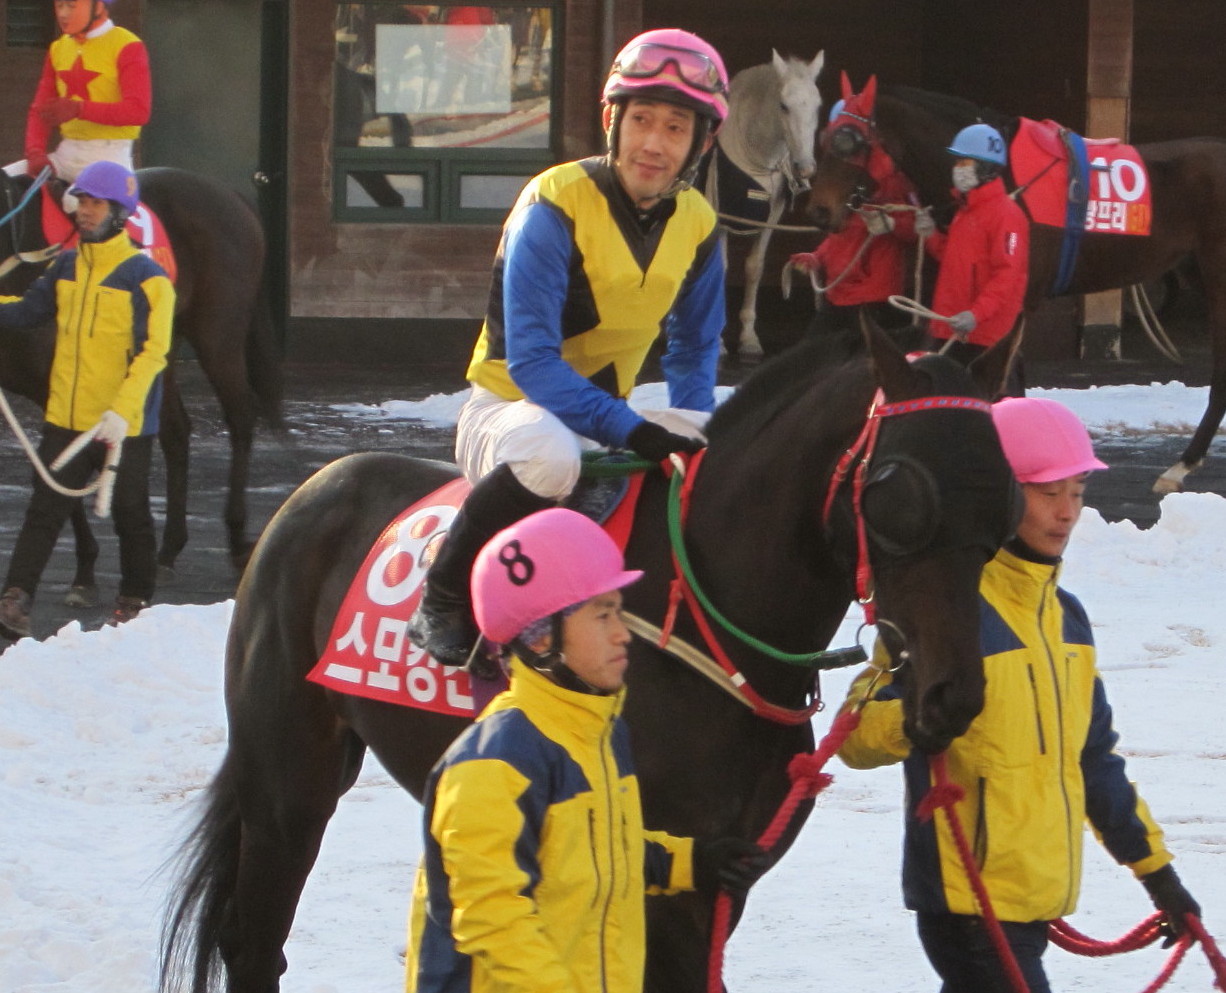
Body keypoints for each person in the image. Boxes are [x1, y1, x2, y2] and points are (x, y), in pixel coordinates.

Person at [835, 397, 1204, 993]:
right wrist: (917, 720)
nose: (1067, 512)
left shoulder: (1066, 619)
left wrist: (1159, 877)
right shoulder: (949, 613)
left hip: (1035, 899)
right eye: (1047, 493)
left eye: (1077, 492)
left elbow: (1094, 762)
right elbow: (854, 735)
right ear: (996, 496)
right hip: (966, 903)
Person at [408, 28, 729, 667]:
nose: (654, 143)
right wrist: (632, 430)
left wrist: (692, 421)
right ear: (613, 122)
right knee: (552, 457)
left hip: (604, 419)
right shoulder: (552, 204)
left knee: (721, 450)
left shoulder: (700, 224)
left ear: (699, 143)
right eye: (641, 120)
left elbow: (695, 346)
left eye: (675, 128)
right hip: (509, 411)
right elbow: (532, 364)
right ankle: (440, 596)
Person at [404, 507, 767, 993]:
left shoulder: (599, 732)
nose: (622, 633)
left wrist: (690, 862)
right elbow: (492, 919)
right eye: (602, 615)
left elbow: (599, 849)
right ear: (541, 638)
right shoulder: (496, 762)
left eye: (619, 611)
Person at [0, 161, 173, 641]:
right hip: (67, 418)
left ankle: (134, 601)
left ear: (119, 213)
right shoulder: (66, 266)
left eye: (96, 203)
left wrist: (123, 411)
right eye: (82, 202)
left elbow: (154, 353)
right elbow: (28, 312)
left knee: (131, 515)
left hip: (123, 424)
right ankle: (15, 599)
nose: (85, 211)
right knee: (43, 511)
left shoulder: (147, 278)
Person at [789, 96, 924, 336]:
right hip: (840, 293)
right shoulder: (850, 187)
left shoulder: (895, 184)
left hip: (874, 299)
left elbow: (915, 228)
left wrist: (892, 224)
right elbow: (841, 237)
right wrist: (817, 257)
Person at [923, 123, 1029, 393]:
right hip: (953, 330)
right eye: (957, 162)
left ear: (986, 168)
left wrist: (976, 314)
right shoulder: (965, 210)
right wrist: (930, 235)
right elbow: (953, 260)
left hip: (985, 339)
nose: (958, 168)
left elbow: (1006, 275)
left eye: (965, 162)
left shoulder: (1007, 215)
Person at [3, 0, 151, 186]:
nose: (63, 14)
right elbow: (40, 110)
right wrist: (35, 153)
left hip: (109, 157)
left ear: (98, 6)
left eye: (71, 6)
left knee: (75, 201)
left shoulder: (128, 45)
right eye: (59, 6)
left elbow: (138, 111)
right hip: (66, 153)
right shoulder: (58, 48)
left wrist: (79, 109)